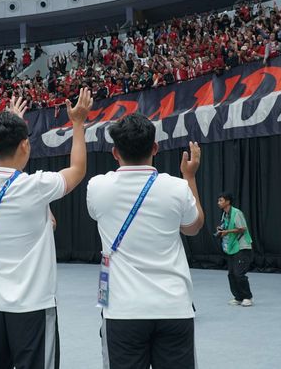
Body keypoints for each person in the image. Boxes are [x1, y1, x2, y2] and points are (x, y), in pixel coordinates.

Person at [0, 89, 92, 369]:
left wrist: (7, 124)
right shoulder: (37, 185)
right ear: (25, 145)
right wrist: (78, 123)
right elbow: (78, 168)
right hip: (34, 305)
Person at [85, 113, 204, 369]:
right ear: (155, 148)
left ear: (115, 152)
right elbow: (193, 227)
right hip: (173, 306)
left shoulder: (97, 186)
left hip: (122, 310)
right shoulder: (177, 187)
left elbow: (95, 214)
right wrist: (190, 177)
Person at [216, 192, 254, 307]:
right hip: (231, 247)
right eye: (218, 201)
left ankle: (248, 297)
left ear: (228, 201)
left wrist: (227, 231)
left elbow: (242, 229)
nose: (219, 203)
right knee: (231, 274)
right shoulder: (224, 214)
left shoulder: (237, 213)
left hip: (242, 247)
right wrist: (221, 230)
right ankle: (238, 297)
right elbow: (226, 227)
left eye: (221, 200)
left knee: (239, 274)